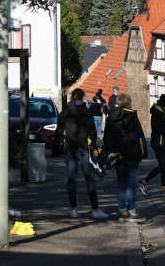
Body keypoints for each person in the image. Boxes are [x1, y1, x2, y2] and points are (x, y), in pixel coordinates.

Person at [55, 88, 109, 219]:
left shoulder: (66, 111)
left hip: (69, 148)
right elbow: (92, 131)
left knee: (71, 178)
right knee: (89, 178)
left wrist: (59, 141)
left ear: (73, 97)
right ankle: (95, 209)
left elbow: (59, 128)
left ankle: (74, 209)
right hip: (83, 148)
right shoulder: (86, 111)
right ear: (82, 97)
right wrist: (93, 144)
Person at [104, 93, 147, 221]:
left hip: (118, 155)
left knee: (121, 183)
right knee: (132, 184)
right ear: (128, 103)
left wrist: (110, 151)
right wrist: (143, 152)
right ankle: (132, 210)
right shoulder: (133, 116)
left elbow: (107, 137)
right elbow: (140, 136)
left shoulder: (111, 117)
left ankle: (122, 210)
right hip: (132, 154)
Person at [140, 94, 165, 195]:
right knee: (163, 165)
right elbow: (160, 130)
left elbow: (161, 127)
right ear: (164, 105)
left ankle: (163, 187)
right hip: (158, 143)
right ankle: (144, 181)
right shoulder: (157, 114)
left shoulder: (159, 113)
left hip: (162, 142)